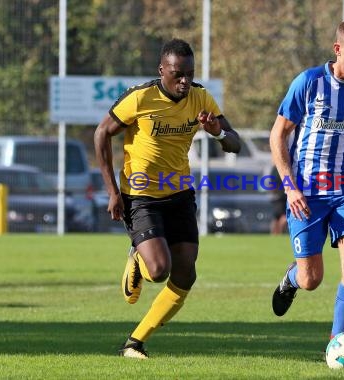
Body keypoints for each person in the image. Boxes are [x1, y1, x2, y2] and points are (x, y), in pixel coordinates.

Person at [94, 38, 241, 359]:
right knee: (159, 270)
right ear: (162, 70)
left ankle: (135, 343)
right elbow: (102, 133)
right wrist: (111, 191)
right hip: (140, 196)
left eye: (189, 73)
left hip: (179, 194)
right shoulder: (141, 97)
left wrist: (216, 131)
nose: (185, 81)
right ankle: (138, 257)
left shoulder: (200, 97)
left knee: (186, 272)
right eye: (178, 74)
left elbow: (235, 143)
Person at [269, 17, 344, 340]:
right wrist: (290, 188)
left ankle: (338, 342)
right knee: (311, 279)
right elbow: (278, 136)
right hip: (307, 192)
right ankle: (292, 279)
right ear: (337, 49)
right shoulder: (308, 83)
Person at [269, 165, 288, 234]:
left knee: (276, 217)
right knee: (283, 216)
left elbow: (271, 182)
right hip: (283, 196)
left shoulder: (275, 168)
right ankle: (278, 233)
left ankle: (274, 234)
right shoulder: (280, 168)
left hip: (278, 196)